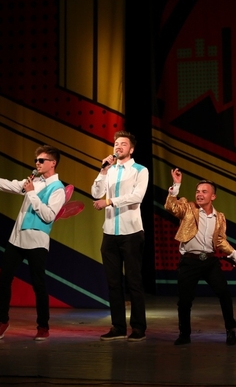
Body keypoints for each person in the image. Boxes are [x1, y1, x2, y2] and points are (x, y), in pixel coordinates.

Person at [0, 145, 66, 340]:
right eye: (36, 160)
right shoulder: (32, 181)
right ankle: (2, 321)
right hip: (17, 239)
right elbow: (7, 184)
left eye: (41, 160)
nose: (37, 163)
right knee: (4, 279)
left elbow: (48, 216)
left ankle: (43, 326)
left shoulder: (58, 189)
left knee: (38, 284)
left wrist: (31, 193)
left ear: (53, 163)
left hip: (37, 241)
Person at [163, 169, 236, 346]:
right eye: (198, 191)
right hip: (189, 262)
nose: (199, 194)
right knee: (184, 300)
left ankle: (230, 330)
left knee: (224, 293)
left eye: (204, 191)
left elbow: (221, 240)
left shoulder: (219, 217)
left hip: (209, 261)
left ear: (213, 196)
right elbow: (171, 207)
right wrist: (176, 185)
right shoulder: (188, 208)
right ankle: (184, 334)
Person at [92, 130, 148, 342]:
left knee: (134, 282)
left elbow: (137, 197)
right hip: (109, 232)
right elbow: (95, 193)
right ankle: (118, 327)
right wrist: (103, 171)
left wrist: (109, 202)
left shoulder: (140, 170)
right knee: (113, 283)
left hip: (131, 232)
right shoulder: (109, 170)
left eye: (123, 144)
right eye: (116, 144)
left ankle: (138, 328)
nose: (118, 147)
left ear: (131, 149)